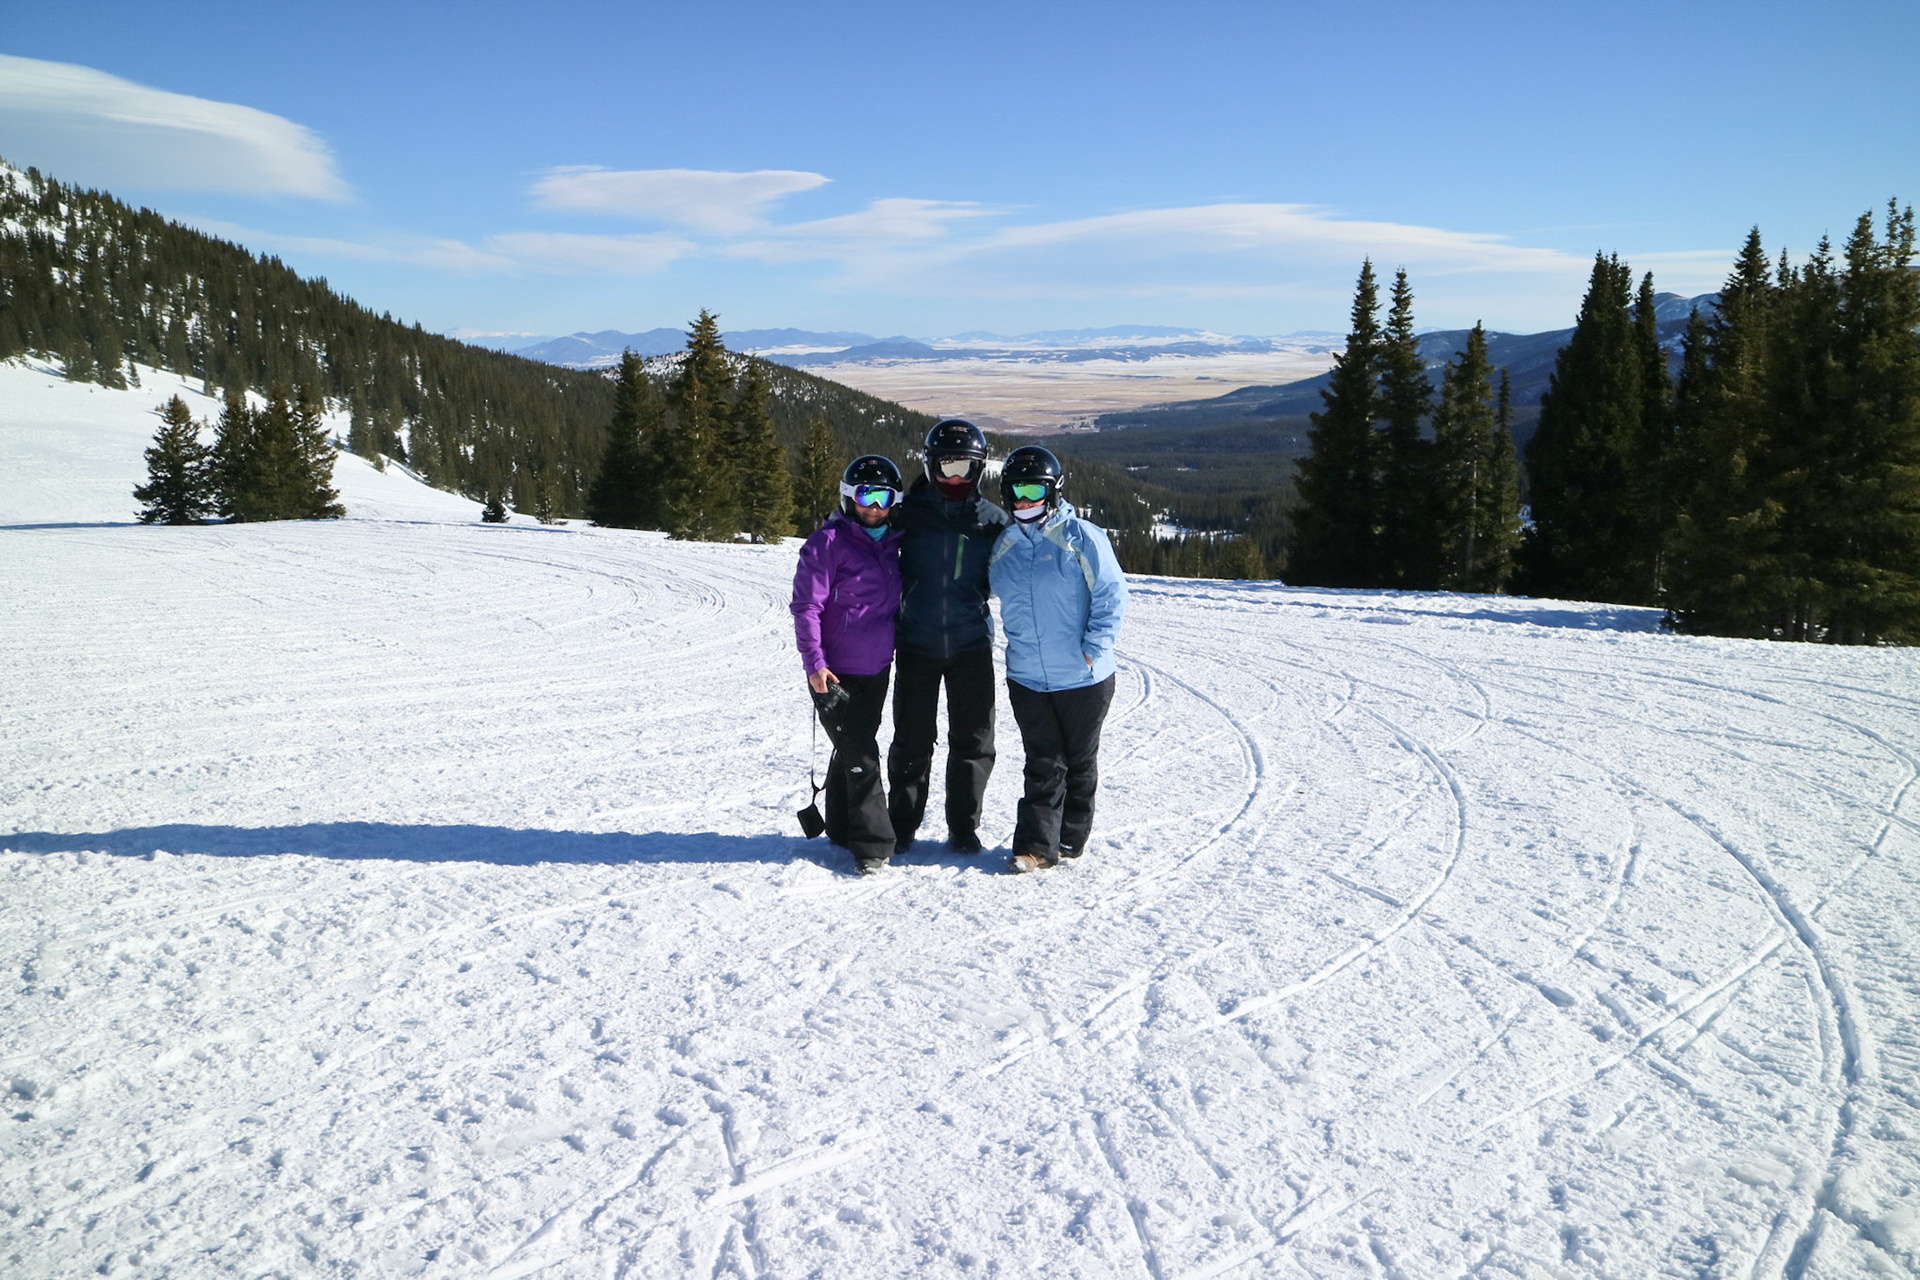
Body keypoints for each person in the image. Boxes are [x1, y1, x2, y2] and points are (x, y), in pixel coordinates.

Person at [988, 446, 1128, 873]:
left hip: (1084, 676)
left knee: (1080, 760)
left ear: (1052, 492)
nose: (1024, 500)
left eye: (1034, 490)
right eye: (1016, 491)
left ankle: (1071, 836)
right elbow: (976, 594)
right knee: (1043, 762)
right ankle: (1036, 846)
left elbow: (1111, 594)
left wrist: (1095, 648)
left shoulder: (1082, 537)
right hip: (1027, 676)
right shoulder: (1004, 546)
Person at [886, 419, 1011, 855]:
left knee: (974, 741)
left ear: (979, 470)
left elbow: (1021, 571)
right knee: (912, 739)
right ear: (930, 464)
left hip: (971, 645)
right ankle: (901, 825)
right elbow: (863, 539)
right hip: (916, 644)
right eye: (946, 466)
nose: (954, 477)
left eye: (965, 468)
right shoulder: (907, 513)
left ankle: (963, 827)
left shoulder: (993, 522)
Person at [791, 455, 907, 874]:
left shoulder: (895, 542)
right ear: (848, 496)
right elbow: (806, 607)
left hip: (876, 668)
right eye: (865, 495)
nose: (873, 506)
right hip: (833, 673)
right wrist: (815, 663)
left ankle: (841, 828)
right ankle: (873, 845)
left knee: (851, 747)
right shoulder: (827, 543)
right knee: (861, 754)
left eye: (883, 497)